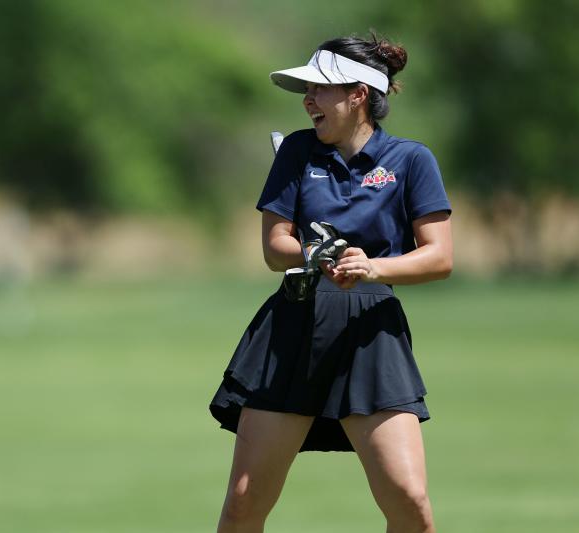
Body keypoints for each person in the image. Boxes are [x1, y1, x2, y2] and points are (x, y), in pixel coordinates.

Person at [210, 33, 453, 532]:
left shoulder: (411, 160)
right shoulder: (297, 151)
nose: (308, 101)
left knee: (410, 501)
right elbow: (274, 248)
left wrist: (374, 268)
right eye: (307, 91)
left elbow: (439, 257)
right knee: (243, 503)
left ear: (358, 95)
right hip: (295, 326)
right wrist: (315, 255)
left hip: (371, 333)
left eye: (320, 90)